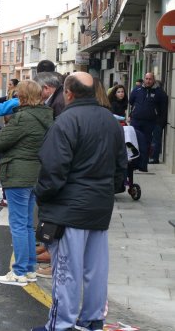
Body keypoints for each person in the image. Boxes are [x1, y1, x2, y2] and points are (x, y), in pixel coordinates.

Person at [30, 72, 127, 331]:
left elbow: (53, 170)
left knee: (66, 271)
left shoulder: (66, 121)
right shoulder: (111, 121)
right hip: (99, 207)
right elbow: (121, 168)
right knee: (96, 270)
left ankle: (61, 325)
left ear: (68, 94)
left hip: (69, 210)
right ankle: (92, 320)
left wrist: (42, 195)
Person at [0, 81, 53, 286]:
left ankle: (19, 271)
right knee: (27, 224)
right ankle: (29, 269)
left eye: (18, 95)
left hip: (18, 174)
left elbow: (0, 142)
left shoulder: (22, 117)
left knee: (18, 224)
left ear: (24, 97)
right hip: (35, 173)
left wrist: (1, 130)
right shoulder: (47, 115)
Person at [129, 72, 168, 164]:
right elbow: (131, 101)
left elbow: (163, 108)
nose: (148, 81)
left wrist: (160, 122)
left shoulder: (159, 92)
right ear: (144, 79)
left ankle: (145, 159)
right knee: (133, 139)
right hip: (136, 120)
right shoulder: (137, 90)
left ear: (153, 80)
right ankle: (133, 157)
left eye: (150, 79)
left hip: (150, 122)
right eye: (146, 79)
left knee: (147, 141)